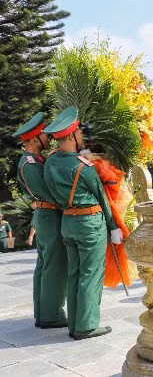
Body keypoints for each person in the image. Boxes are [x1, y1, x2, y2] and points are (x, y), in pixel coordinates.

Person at [43, 107, 122, 340]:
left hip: (67, 221)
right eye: (79, 133)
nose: (81, 137)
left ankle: (74, 324)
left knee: (75, 273)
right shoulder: (83, 167)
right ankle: (86, 326)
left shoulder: (50, 164)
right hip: (90, 224)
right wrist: (113, 226)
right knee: (90, 273)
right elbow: (102, 198)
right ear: (70, 136)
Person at [13, 112, 67, 327]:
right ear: (35, 138)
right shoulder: (30, 164)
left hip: (47, 215)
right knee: (54, 265)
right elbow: (50, 193)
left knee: (45, 265)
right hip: (49, 214)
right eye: (45, 135)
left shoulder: (37, 160)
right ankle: (51, 315)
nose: (50, 138)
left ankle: (44, 311)